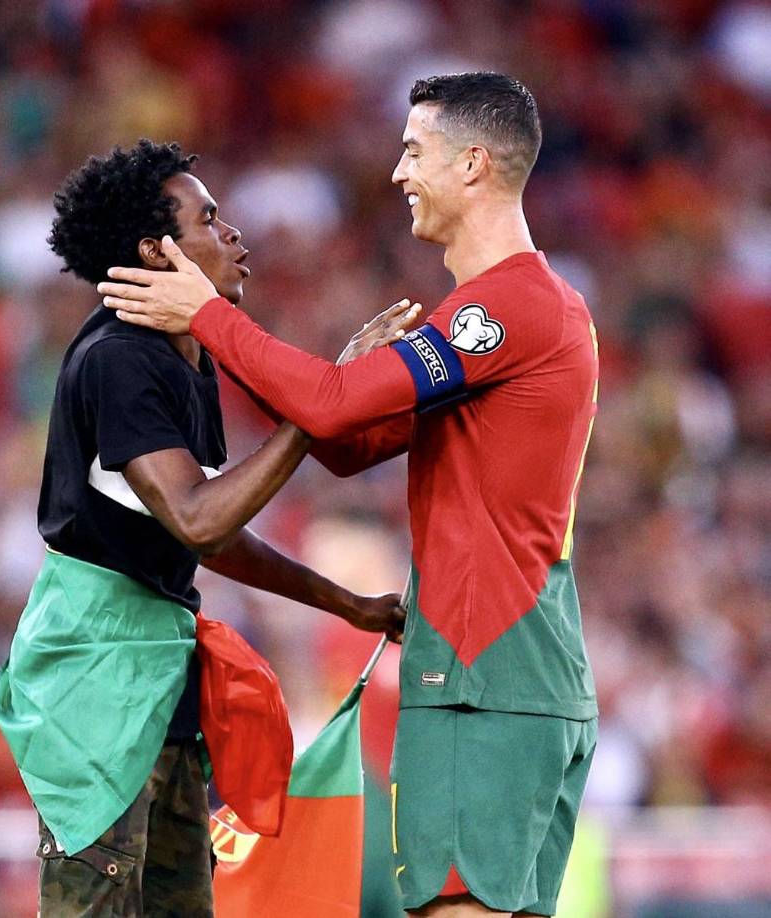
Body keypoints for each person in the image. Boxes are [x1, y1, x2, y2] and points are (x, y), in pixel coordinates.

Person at [97, 73, 599, 918]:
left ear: (473, 164)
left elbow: (330, 406)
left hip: (483, 668)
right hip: (527, 669)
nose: (398, 172)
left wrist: (209, 316)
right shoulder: (523, 311)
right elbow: (342, 441)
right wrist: (314, 373)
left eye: (414, 151)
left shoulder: (502, 311)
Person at [0, 139, 410, 918]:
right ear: (158, 250)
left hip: (156, 680)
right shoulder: (118, 356)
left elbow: (207, 537)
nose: (235, 234)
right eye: (210, 220)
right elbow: (197, 515)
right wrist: (312, 414)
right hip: (96, 682)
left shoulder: (182, 355)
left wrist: (347, 604)